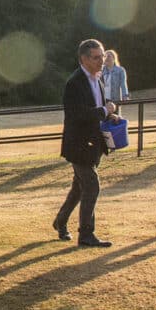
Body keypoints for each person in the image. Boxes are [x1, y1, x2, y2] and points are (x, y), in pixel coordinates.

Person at [55, 39, 120, 247]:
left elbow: (97, 108)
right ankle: (86, 234)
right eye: (97, 57)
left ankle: (60, 221)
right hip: (79, 145)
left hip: (94, 143)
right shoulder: (75, 83)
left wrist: (110, 117)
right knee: (91, 186)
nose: (102, 60)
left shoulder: (97, 79)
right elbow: (77, 115)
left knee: (79, 188)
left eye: (102, 56)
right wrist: (105, 111)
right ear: (84, 59)